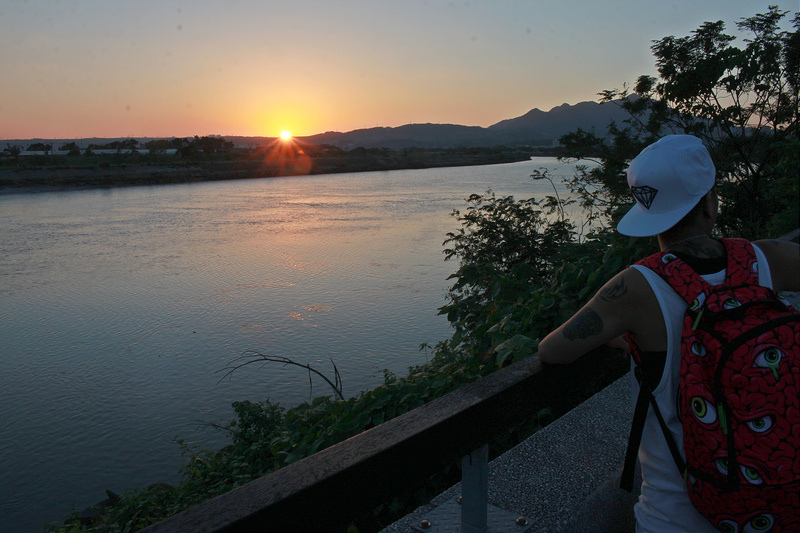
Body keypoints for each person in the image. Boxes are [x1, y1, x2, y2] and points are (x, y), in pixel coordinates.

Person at [537, 134, 800, 532]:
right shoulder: (767, 258)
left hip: (675, 518)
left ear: (647, 213)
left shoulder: (636, 288)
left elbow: (552, 351)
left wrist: (620, 333)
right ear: (710, 203)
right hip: (776, 506)